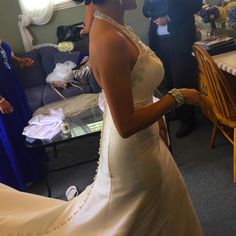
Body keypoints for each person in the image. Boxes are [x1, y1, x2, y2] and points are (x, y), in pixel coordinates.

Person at [0, 1, 207, 235]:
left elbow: (136, 89)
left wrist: (158, 120)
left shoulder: (115, 24)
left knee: (156, 209)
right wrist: (176, 97)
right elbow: (126, 125)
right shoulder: (109, 39)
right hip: (132, 147)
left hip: (146, 137)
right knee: (138, 217)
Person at [143, 0, 202, 138]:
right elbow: (145, 8)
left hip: (180, 38)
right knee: (169, 78)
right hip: (159, 40)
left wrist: (169, 18)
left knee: (182, 78)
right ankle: (177, 110)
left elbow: (195, 4)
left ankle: (189, 119)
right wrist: (148, 10)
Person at [0, 39, 46, 191]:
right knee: (13, 134)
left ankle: (36, 167)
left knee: (26, 126)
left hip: (14, 90)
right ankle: (24, 175)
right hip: (3, 97)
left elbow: (7, 59)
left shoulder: (3, 42)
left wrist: (19, 61)